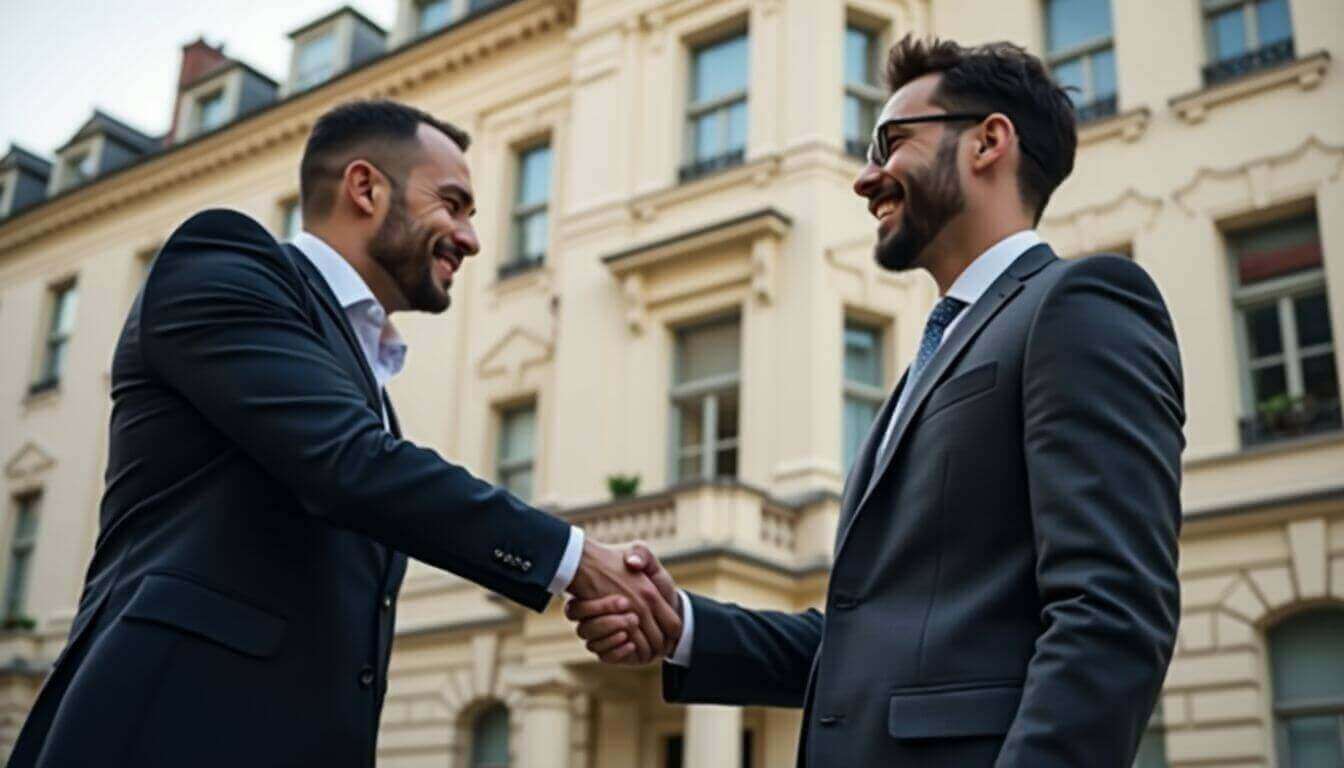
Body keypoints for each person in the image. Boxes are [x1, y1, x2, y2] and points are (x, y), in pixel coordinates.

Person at [568, 35, 1185, 766]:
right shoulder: (930, 358)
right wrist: (685, 628)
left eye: (890, 143)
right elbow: (870, 643)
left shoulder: (1080, 302)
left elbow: (1111, 613)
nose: (866, 177)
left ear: (989, 141)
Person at [9, 100, 679, 768]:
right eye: (454, 204)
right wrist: (574, 559)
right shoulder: (223, 263)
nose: (471, 238)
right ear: (365, 188)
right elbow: (351, 464)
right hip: (159, 734)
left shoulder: (364, 377)